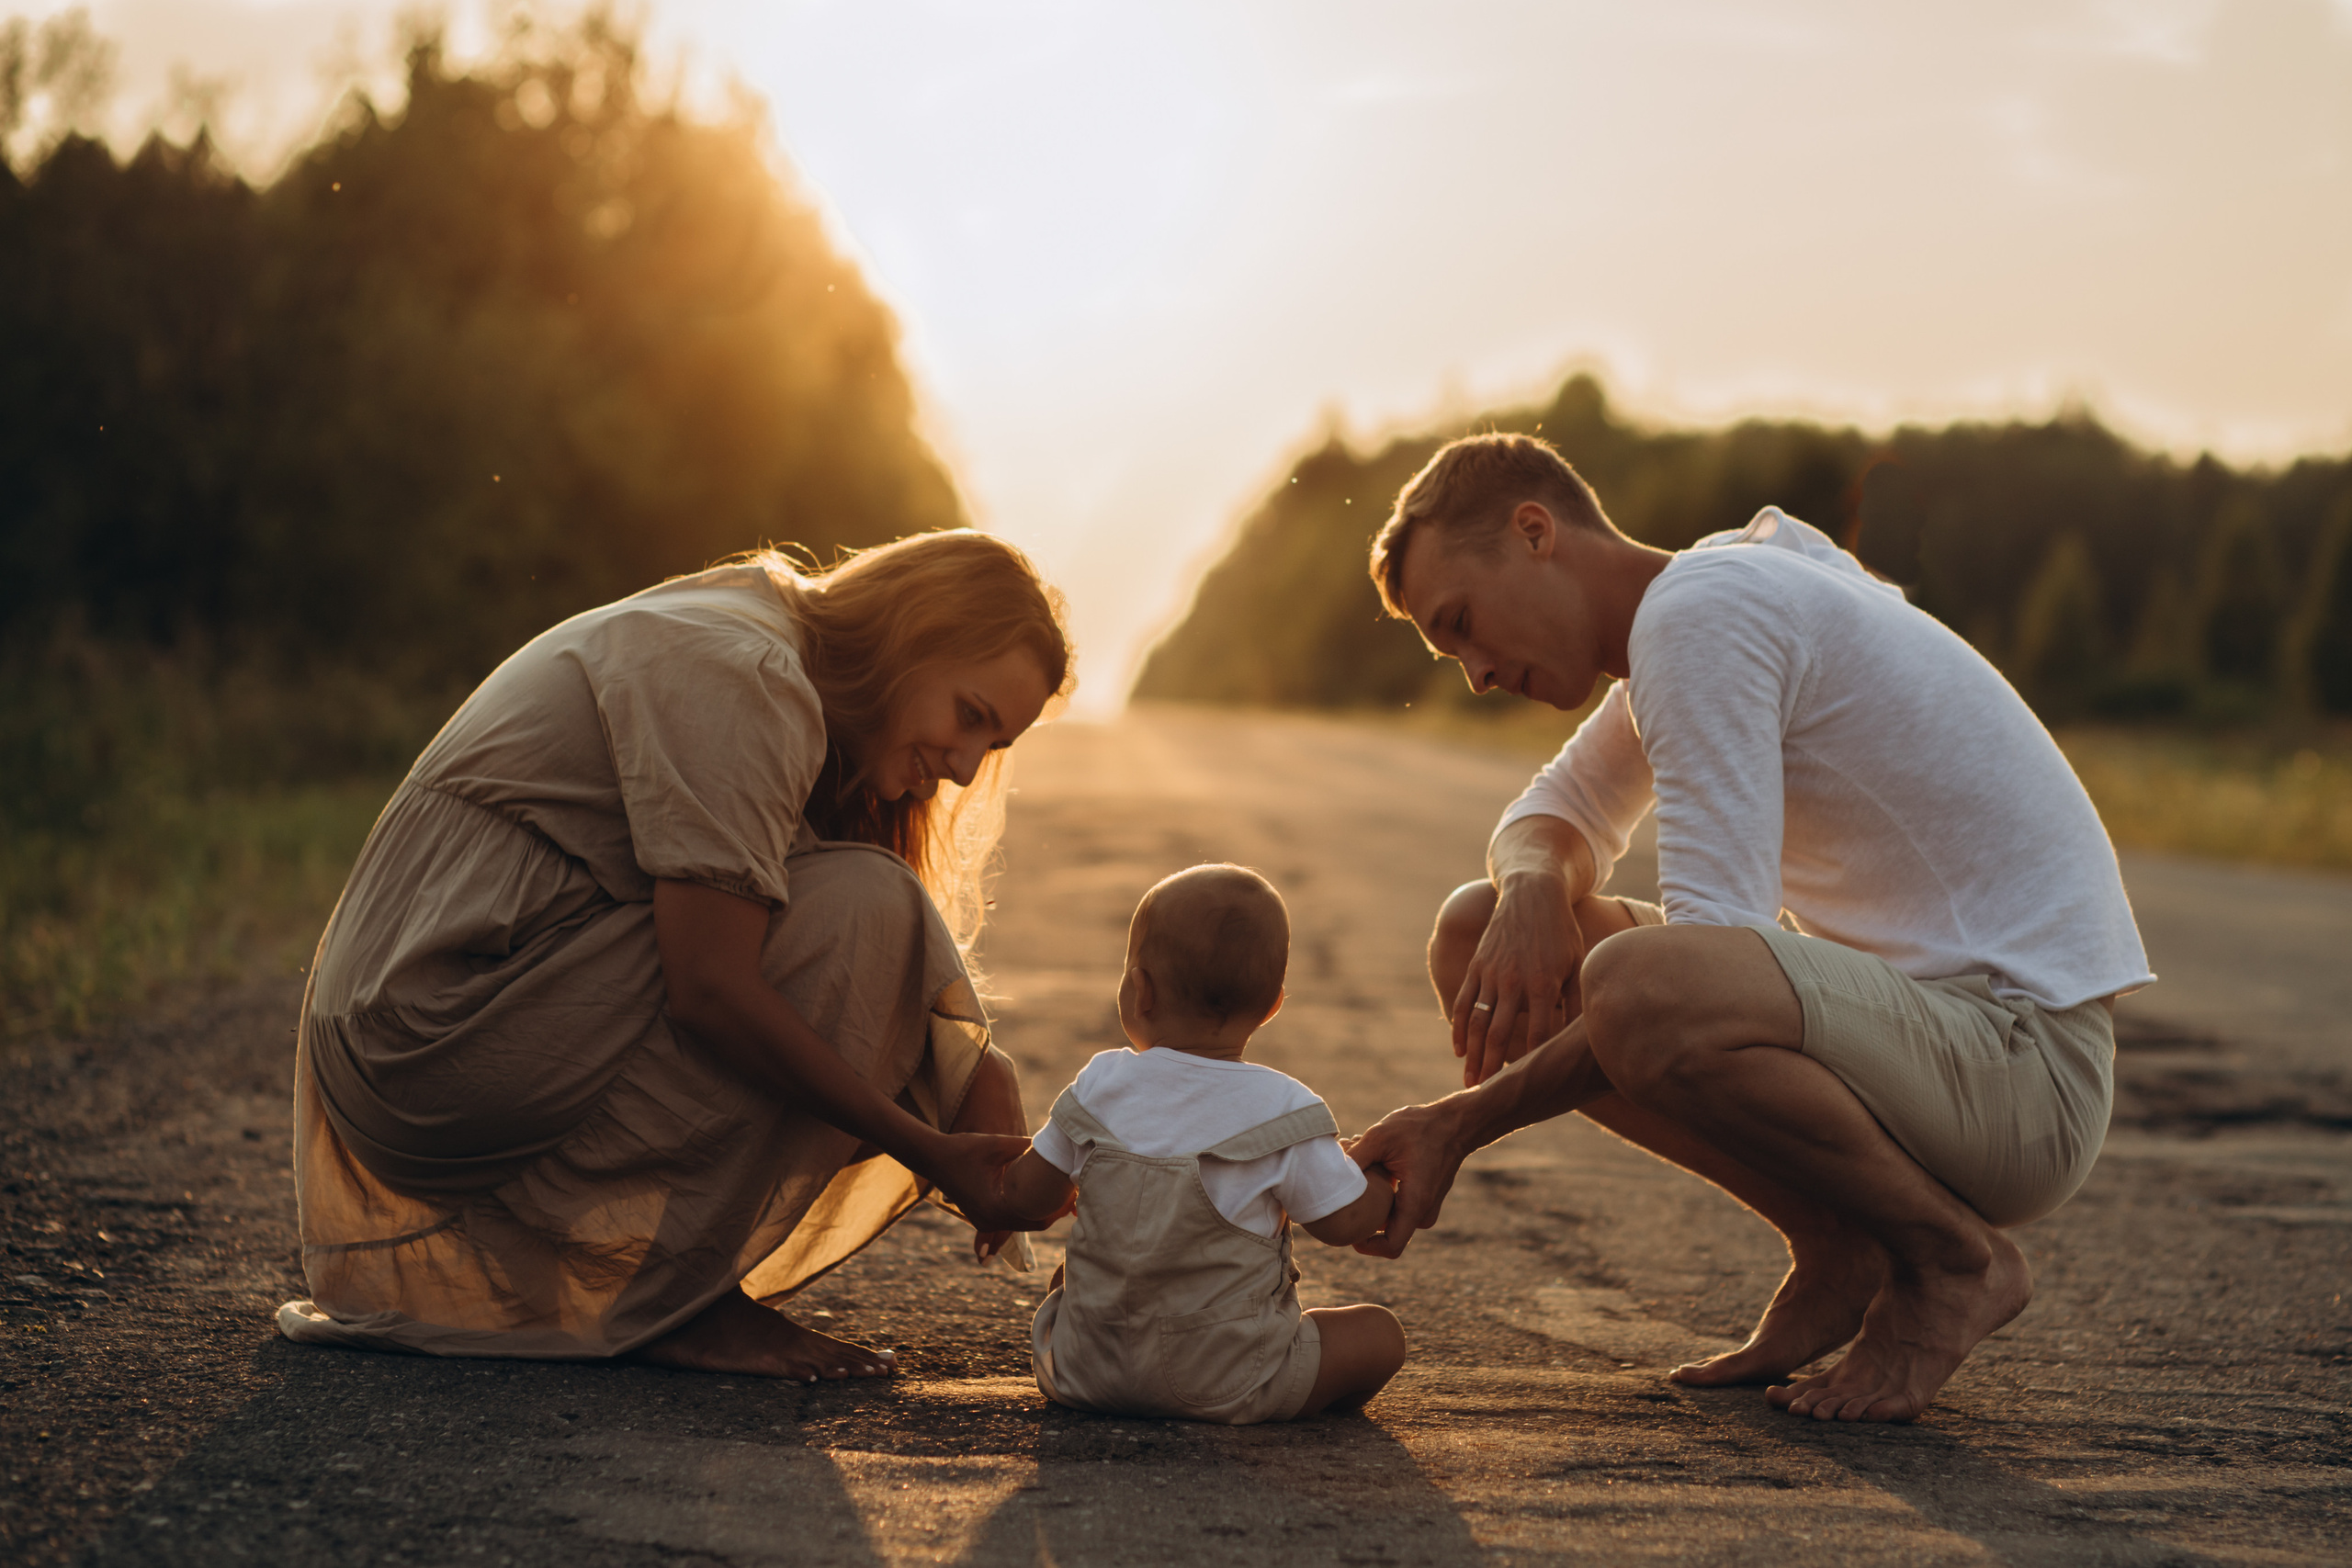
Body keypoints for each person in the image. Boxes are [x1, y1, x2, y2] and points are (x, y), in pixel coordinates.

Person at [1348, 433, 2152, 1423]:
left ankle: (1950, 1259)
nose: (1471, 671)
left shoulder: (1702, 614)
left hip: (2022, 1066)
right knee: (1478, 931)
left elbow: (1693, 971)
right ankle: (1840, 1242)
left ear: (1533, 532)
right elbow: (1547, 820)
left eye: (1462, 622)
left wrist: (1458, 1123)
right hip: (1952, 1054)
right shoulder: (1699, 605)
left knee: (1647, 985)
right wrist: (1527, 895)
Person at [277, 529, 1075, 1382]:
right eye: (970, 716)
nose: (959, 768)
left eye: (990, 749)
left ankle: (643, 1284)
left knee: (866, 928)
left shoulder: (763, 634)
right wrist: (925, 1139)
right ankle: (679, 1301)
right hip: (436, 1033)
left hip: (425, 1030)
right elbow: (712, 991)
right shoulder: (749, 673)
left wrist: (965, 1065)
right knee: (871, 912)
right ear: (912, 635)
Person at [1000, 864, 1407, 1422]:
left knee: (1074, 1275)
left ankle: (1121, 1371)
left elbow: (1023, 1196)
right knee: (1380, 1334)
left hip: (1079, 1370)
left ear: (1139, 992)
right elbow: (1343, 1223)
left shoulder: (1100, 1084)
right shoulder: (1285, 1108)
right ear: (1272, 1006)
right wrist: (1380, 1181)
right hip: (1228, 1381)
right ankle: (1295, 1397)